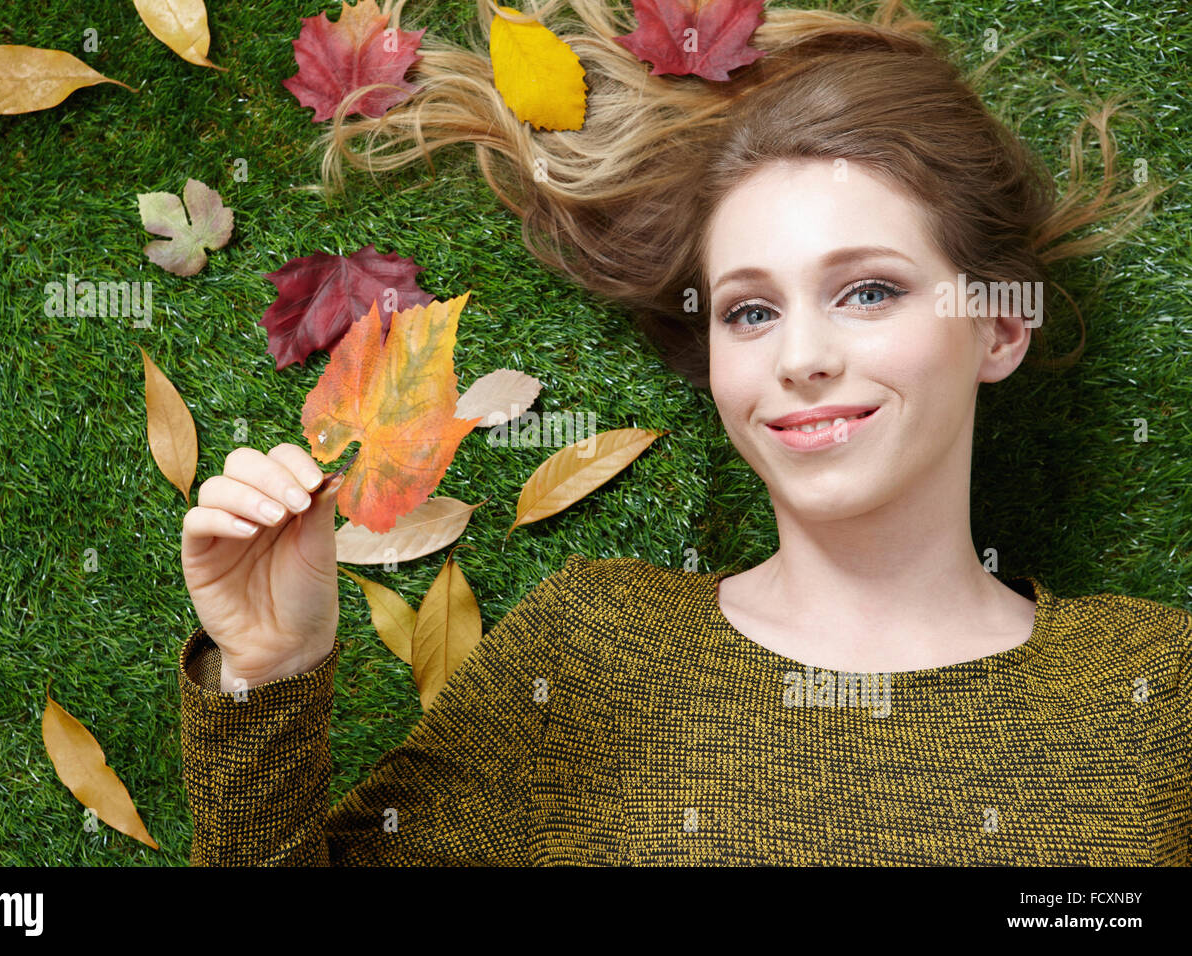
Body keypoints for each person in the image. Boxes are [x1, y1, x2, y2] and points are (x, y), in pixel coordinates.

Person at [176, 0, 1189, 864]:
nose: (800, 357)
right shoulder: (596, 641)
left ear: (999, 326)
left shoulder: (1158, 688)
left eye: (867, 290)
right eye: (751, 311)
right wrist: (268, 674)